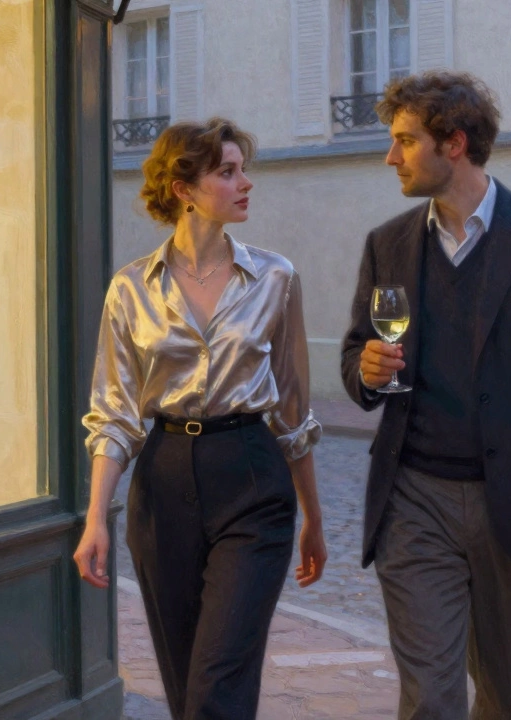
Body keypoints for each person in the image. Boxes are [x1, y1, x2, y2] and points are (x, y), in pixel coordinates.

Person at [340, 72, 511, 719]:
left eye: (405, 141)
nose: (391, 157)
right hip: (414, 498)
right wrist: (368, 369)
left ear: (454, 142)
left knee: (508, 691)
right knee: (432, 697)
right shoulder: (388, 245)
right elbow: (357, 360)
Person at [73, 118, 327, 720]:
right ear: (184, 188)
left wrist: (313, 516)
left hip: (251, 477)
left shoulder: (276, 277)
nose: (246, 183)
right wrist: (95, 520)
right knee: (186, 684)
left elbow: (292, 407)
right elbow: (113, 413)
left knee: (218, 682)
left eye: (243, 170)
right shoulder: (130, 289)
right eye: (228, 172)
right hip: (163, 482)